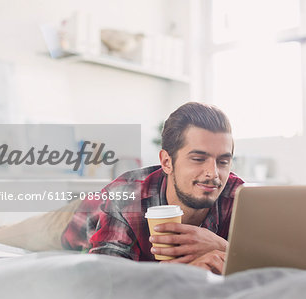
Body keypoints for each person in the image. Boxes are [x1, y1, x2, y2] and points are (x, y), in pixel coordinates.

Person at [62, 102, 244, 274]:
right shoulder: (126, 195)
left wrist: (224, 248)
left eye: (223, 162)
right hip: (84, 214)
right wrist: (183, 274)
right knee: (35, 231)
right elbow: (108, 280)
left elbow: (270, 259)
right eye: (198, 159)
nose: (213, 173)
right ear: (166, 162)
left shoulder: (241, 198)